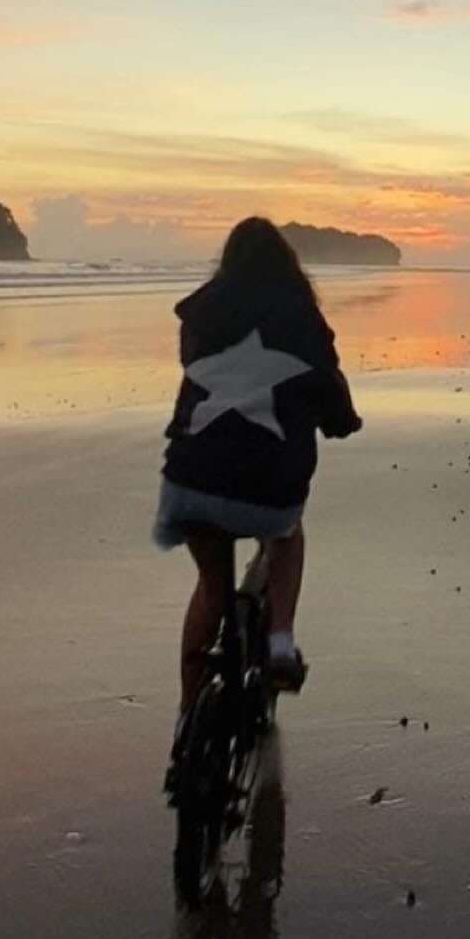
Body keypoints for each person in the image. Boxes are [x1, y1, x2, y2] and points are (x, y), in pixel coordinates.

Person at [154, 217, 362, 718]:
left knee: (211, 587)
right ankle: (282, 645)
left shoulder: (200, 315)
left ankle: (187, 718)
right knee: (287, 536)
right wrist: (340, 421)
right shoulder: (301, 317)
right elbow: (327, 387)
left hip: (189, 481)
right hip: (269, 489)